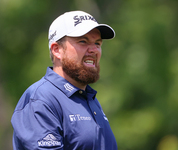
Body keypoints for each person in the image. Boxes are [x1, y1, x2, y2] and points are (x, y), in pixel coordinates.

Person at [11, 10, 117, 150]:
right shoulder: (41, 99)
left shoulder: (89, 99)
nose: (94, 50)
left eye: (97, 43)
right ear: (57, 50)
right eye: (83, 41)